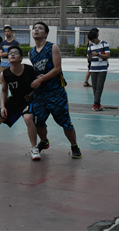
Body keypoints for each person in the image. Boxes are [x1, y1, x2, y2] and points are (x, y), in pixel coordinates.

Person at [27, 21, 82, 160]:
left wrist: (41, 79)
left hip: (56, 92)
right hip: (40, 94)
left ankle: (74, 146)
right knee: (38, 122)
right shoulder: (31, 53)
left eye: (40, 28)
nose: (36, 30)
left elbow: (57, 69)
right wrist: (33, 86)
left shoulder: (52, 47)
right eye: (34, 28)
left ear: (46, 33)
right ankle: (44, 142)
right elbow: (36, 72)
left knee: (65, 122)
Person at [87, 29, 110, 111]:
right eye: (91, 40)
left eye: (94, 40)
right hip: (93, 68)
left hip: (102, 68)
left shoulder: (104, 44)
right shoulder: (90, 46)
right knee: (95, 87)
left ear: (97, 36)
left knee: (99, 87)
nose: (93, 42)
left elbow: (107, 55)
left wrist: (98, 54)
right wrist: (89, 57)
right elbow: (89, 58)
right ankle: (98, 104)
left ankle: (95, 103)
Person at [0, 25, 19, 104]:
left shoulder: (15, 43)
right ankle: (5, 100)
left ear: (11, 32)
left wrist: (6, 53)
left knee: (12, 84)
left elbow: (16, 54)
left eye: (8, 31)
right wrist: (10, 53)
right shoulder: (2, 43)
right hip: (3, 65)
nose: (6, 33)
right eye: (5, 31)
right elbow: (0, 54)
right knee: (4, 84)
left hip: (12, 66)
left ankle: (13, 99)